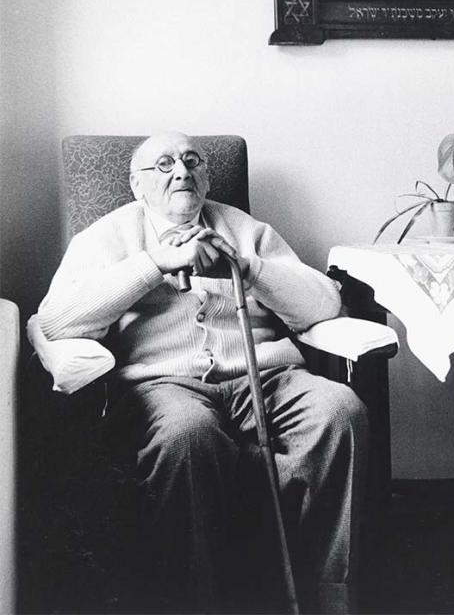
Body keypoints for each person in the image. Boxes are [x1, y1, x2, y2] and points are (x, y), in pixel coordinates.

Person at [37, 131, 368, 615]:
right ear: (136, 184)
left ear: (208, 177)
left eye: (192, 161)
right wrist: (153, 265)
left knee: (340, 411)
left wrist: (248, 267)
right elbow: (55, 320)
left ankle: (331, 597)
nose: (181, 172)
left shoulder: (245, 228)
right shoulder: (107, 237)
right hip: (164, 386)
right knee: (189, 437)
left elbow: (322, 304)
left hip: (266, 378)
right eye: (164, 164)